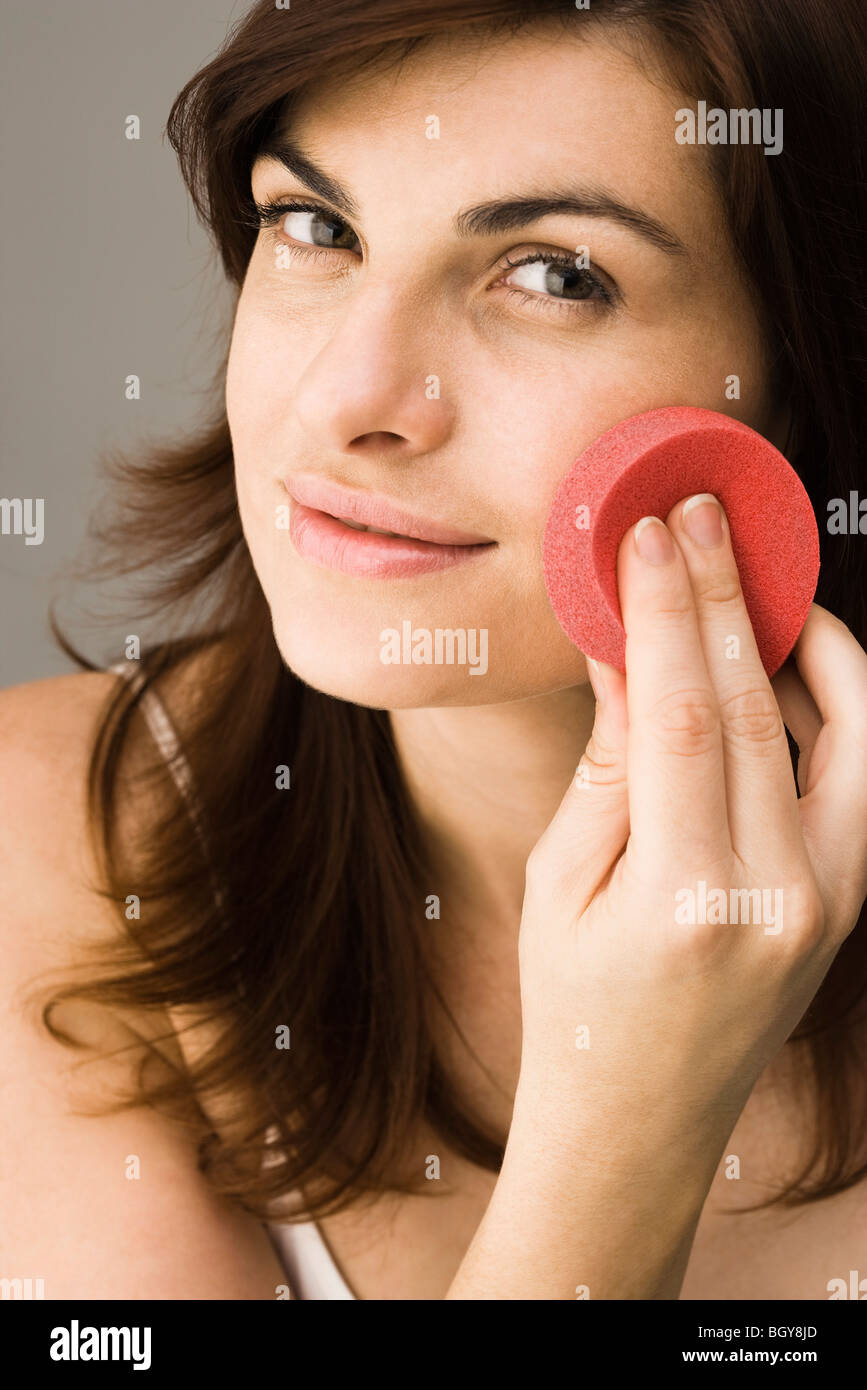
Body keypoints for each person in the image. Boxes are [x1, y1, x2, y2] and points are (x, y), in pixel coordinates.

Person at [2, 0, 866, 1300]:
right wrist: (631, 1121)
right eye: (316, 225)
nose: (347, 396)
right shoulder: (42, 844)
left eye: (556, 275)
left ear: (802, 375)